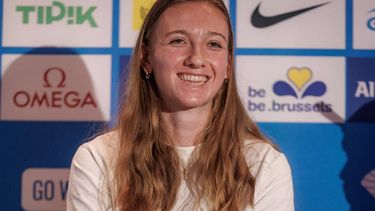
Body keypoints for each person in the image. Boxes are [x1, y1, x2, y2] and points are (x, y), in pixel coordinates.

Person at [66, 0, 294, 210]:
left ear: (227, 65)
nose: (196, 59)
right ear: (146, 58)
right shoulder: (97, 159)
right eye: (178, 41)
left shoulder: (264, 165)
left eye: (213, 44)